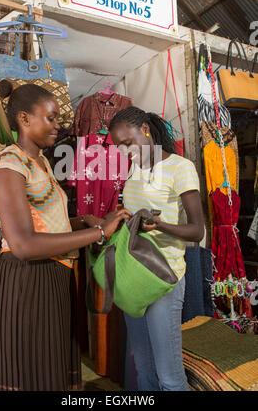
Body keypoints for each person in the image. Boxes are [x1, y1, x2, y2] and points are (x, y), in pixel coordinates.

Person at [0, 83, 131, 392]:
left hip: (51, 277)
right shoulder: (8, 166)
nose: (59, 126)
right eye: (51, 118)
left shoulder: (41, 164)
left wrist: (81, 220)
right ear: (25, 119)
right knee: (30, 374)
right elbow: (23, 245)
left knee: (48, 368)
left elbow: (44, 223)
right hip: (26, 282)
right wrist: (97, 232)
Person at [109, 106, 205, 392]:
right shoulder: (135, 171)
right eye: (119, 147)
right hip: (135, 279)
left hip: (165, 280)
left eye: (128, 143)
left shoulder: (180, 167)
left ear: (146, 130)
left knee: (169, 377)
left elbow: (197, 230)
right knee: (143, 369)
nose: (125, 152)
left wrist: (161, 225)